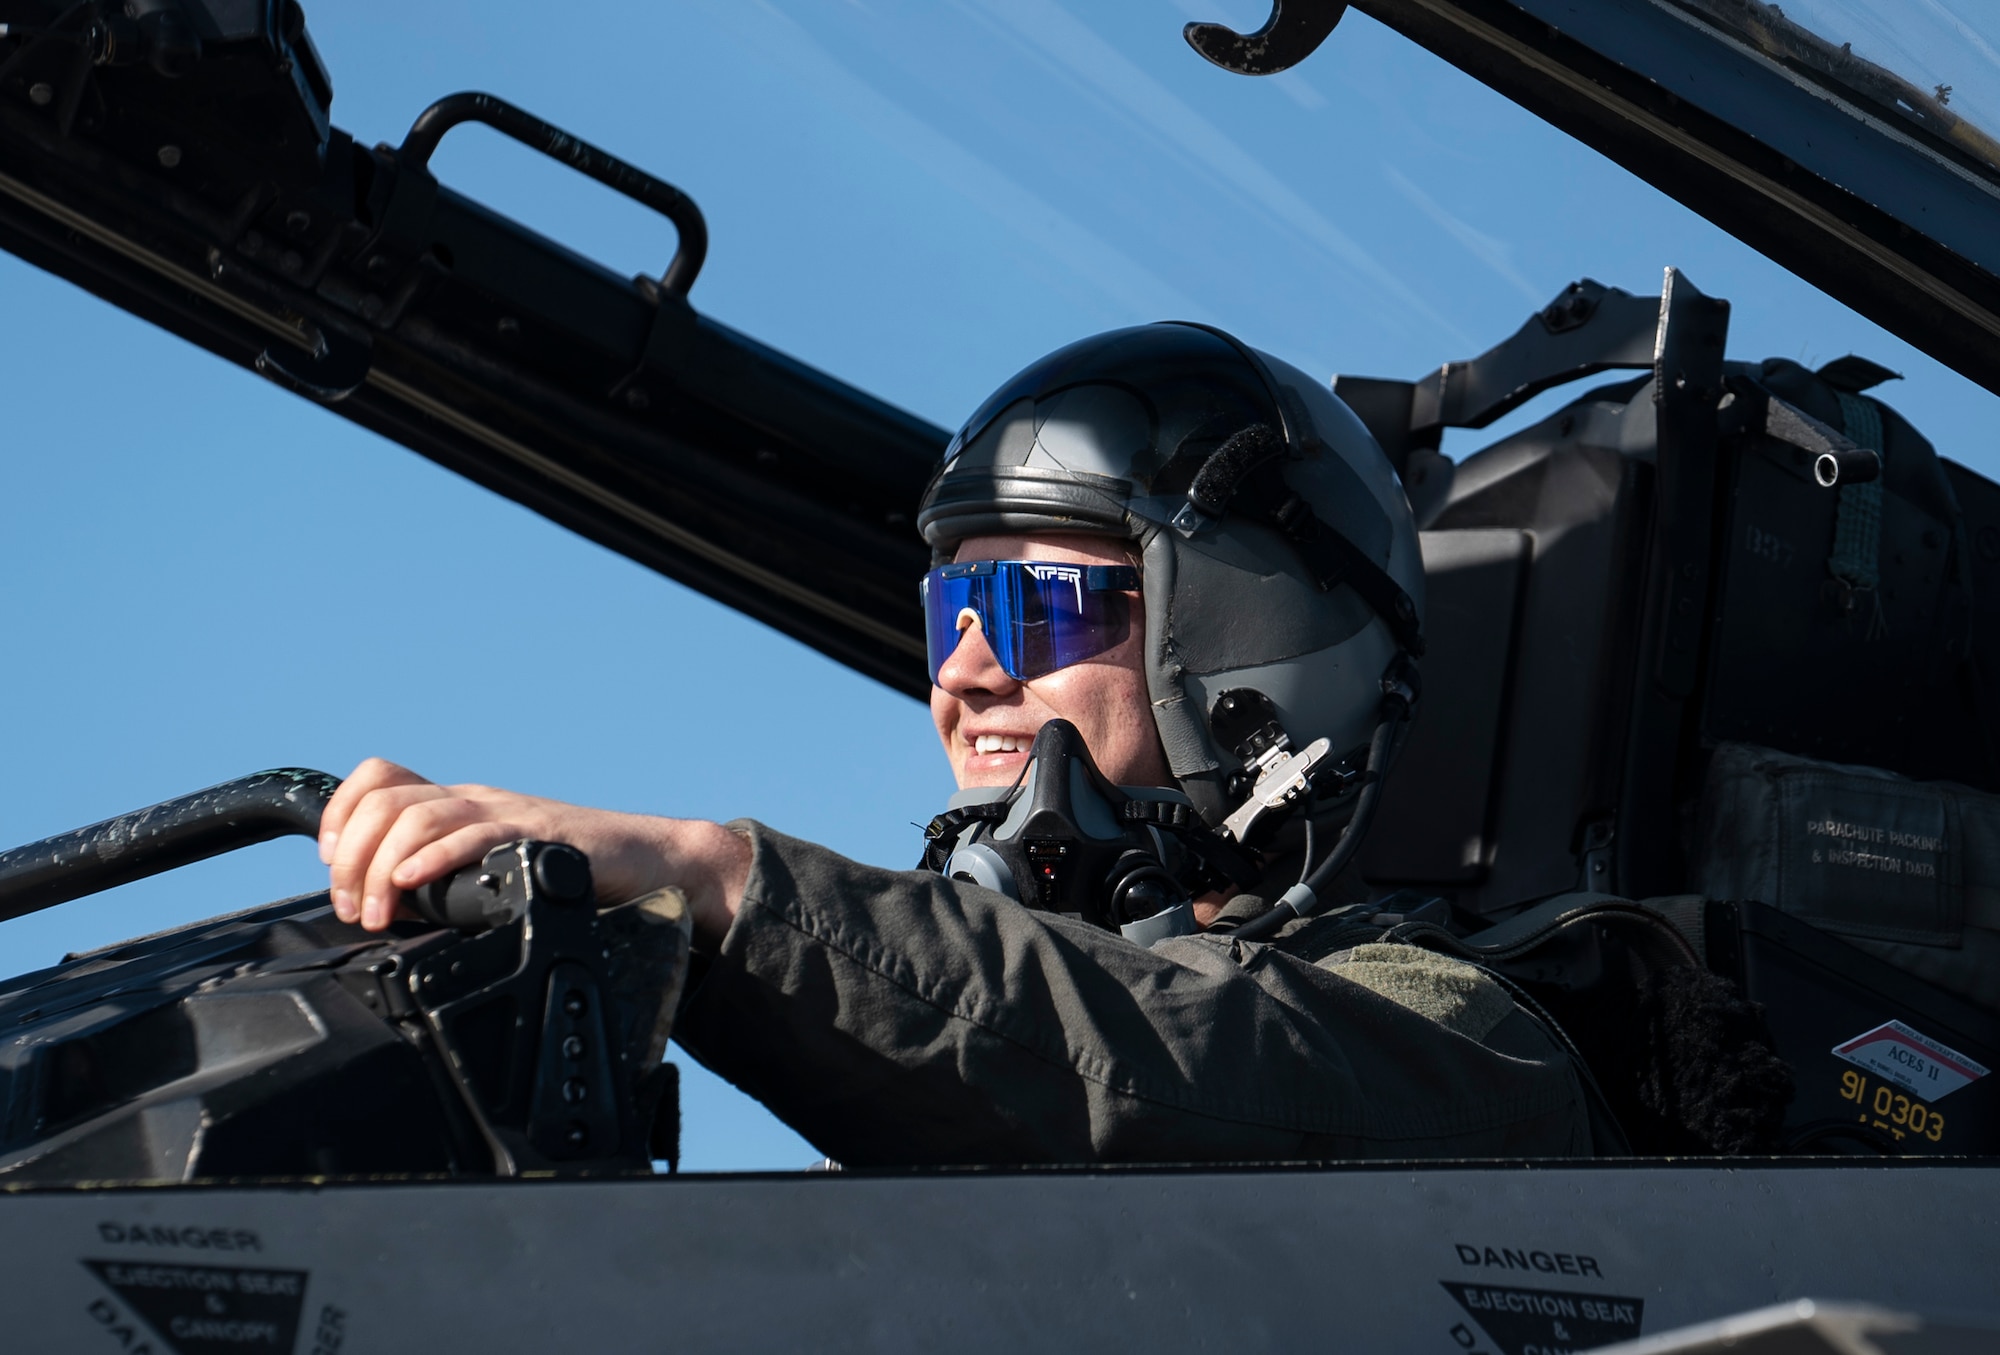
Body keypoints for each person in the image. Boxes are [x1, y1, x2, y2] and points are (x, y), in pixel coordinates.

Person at [319, 323, 1598, 1164]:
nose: (962, 669)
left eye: (1037, 606)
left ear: (1242, 655)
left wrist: (721, 882)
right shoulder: (918, 1057)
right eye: (951, 606)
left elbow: (1194, 1060)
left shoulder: (1469, 1035)